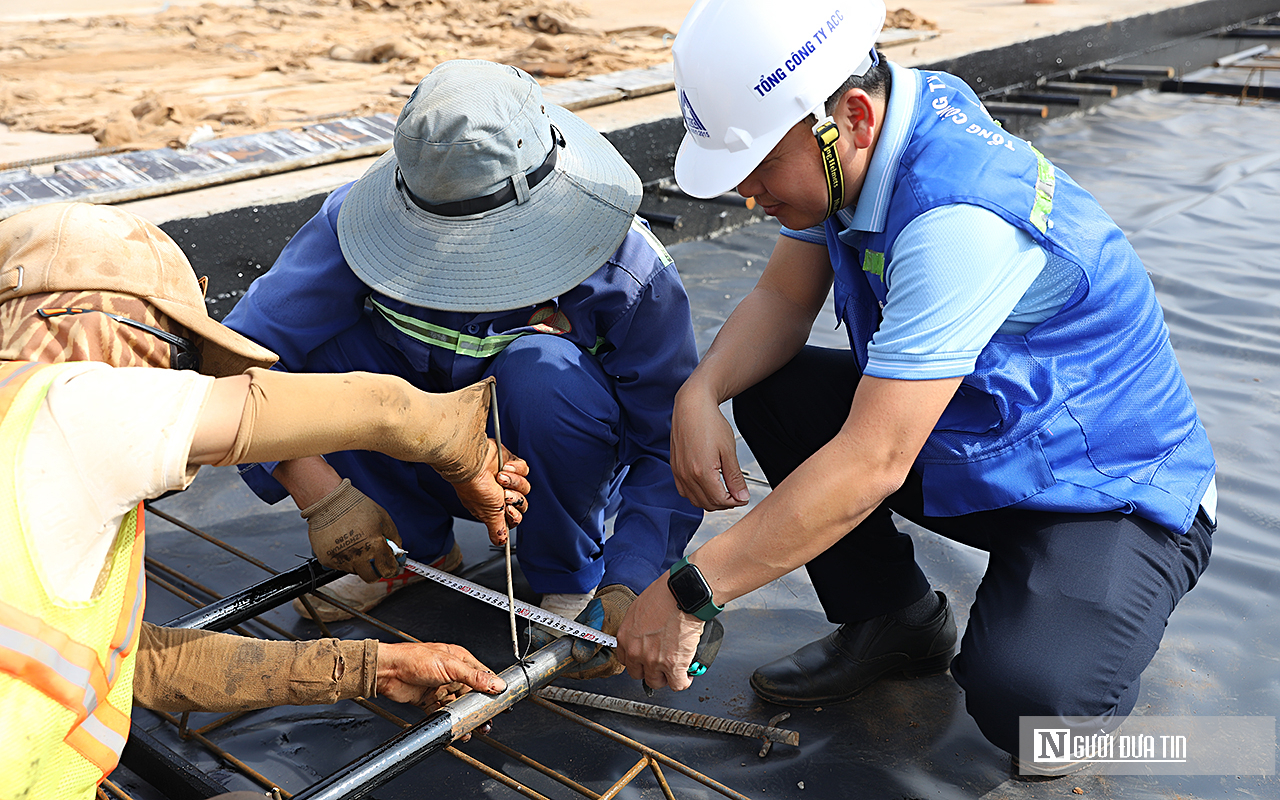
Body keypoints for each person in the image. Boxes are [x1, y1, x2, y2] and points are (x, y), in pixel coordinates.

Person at [615, 0, 1217, 771]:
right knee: (776, 388)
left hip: (1105, 489)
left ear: (852, 119)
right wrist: (700, 393)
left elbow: (872, 462)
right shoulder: (866, 136)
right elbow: (781, 301)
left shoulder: (957, 219)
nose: (750, 198)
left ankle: (1077, 621)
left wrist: (692, 591)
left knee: (1031, 711)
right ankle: (894, 620)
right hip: (991, 438)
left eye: (761, 169)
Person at [0, 201, 532, 800]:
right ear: (88, 325)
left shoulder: (41, 459)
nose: (185, 383)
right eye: (177, 359)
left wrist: (376, 667)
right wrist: (458, 443)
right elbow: (378, 410)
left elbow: (131, 664)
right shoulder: (56, 409)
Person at [221, 59, 702, 677]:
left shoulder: (629, 271)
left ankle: (567, 577)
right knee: (322, 360)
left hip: (548, 471)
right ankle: (410, 549)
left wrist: (635, 578)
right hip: (409, 460)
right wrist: (322, 495)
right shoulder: (348, 226)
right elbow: (239, 361)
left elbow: (670, 441)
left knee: (542, 372)